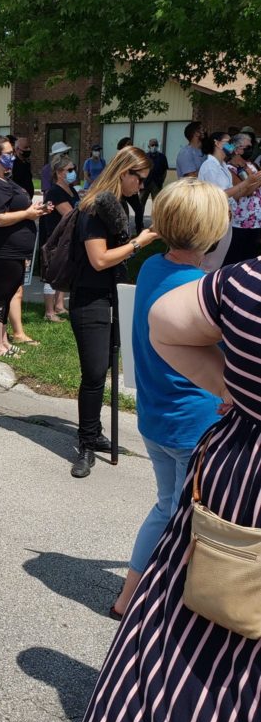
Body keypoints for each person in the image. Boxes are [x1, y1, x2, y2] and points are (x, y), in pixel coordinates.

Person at [66, 256, 261, 722]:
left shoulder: (245, 281)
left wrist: (234, 390)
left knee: (200, 618)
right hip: (205, 448)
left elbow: (164, 323)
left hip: (237, 467)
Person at [111, 180, 229, 618]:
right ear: (212, 231)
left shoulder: (152, 268)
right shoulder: (206, 290)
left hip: (156, 416)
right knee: (194, 522)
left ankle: (128, 597)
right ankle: (166, 611)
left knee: (167, 507)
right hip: (194, 423)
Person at [69, 147, 158, 478]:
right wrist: (141, 242)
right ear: (125, 172)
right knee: (93, 372)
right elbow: (100, 259)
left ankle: (93, 432)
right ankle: (86, 443)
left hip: (112, 295)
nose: (143, 186)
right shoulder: (95, 207)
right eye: (141, 179)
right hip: (90, 298)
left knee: (105, 368)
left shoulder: (118, 204)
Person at [0, 136, 46, 357]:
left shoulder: (4, 180)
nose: (12, 157)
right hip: (2, 249)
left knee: (7, 296)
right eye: (8, 153)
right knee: (0, 295)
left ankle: (4, 341)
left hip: (15, 250)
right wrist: (27, 214)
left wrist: (35, 210)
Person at [198, 130, 261, 270]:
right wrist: (247, 182)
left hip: (227, 217)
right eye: (228, 142)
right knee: (210, 262)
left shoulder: (223, 166)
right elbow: (220, 194)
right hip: (215, 218)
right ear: (217, 143)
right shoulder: (210, 166)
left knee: (220, 259)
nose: (231, 147)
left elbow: (232, 192)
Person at [41, 155, 80, 321]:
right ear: (59, 173)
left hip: (67, 237)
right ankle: (49, 312)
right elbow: (69, 214)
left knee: (63, 271)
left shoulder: (71, 190)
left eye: (74, 169)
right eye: (69, 170)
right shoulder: (55, 192)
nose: (73, 173)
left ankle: (59, 305)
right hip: (54, 237)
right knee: (52, 273)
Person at [223, 131, 261, 263]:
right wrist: (256, 181)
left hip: (257, 222)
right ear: (237, 150)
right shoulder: (229, 169)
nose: (251, 150)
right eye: (247, 147)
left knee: (253, 260)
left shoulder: (252, 165)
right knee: (237, 259)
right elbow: (241, 192)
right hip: (240, 223)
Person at [141, 137, 169, 212]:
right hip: (145, 183)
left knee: (157, 205)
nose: (154, 146)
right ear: (149, 146)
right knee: (140, 204)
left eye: (155, 145)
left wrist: (161, 181)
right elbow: (140, 170)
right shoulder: (144, 156)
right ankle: (139, 223)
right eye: (152, 145)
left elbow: (165, 171)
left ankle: (156, 222)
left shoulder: (162, 157)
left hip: (157, 184)